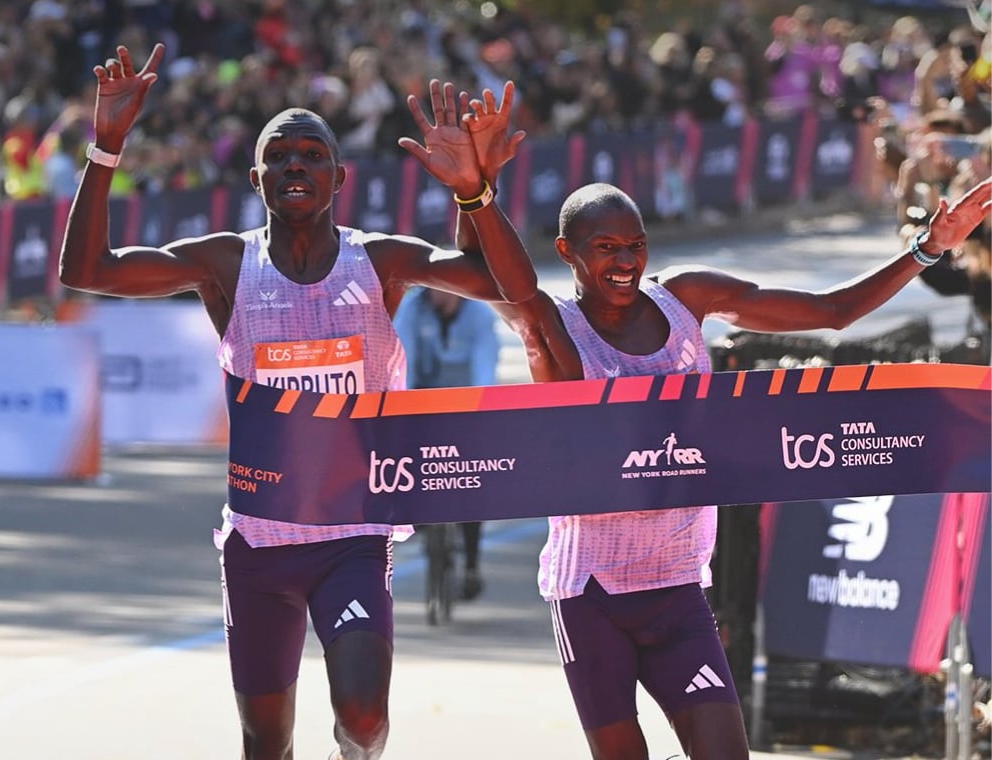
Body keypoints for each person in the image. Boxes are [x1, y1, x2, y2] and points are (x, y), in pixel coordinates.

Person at [460, 93, 991, 760]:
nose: (625, 263)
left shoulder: (686, 298)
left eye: (636, 245)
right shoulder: (555, 333)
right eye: (605, 249)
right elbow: (511, 286)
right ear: (568, 252)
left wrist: (927, 249)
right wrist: (477, 195)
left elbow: (831, 311)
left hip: (679, 586)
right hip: (591, 591)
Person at [58, 43, 531, 760]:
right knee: (265, 743)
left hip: (352, 537)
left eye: (312, 155)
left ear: (339, 176)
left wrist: (475, 192)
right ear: (256, 178)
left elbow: (504, 286)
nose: (296, 167)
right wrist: (108, 148)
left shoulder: (380, 261)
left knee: (365, 715)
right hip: (261, 545)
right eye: (279, 157)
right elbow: (85, 270)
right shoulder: (225, 263)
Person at [394, 286, 501, 600]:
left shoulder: (479, 314)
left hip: (466, 399)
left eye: (440, 291)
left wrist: (481, 411)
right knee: (406, 451)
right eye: (429, 290)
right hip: (423, 396)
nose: (433, 296)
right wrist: (401, 411)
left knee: (471, 481)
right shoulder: (414, 308)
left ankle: (471, 565)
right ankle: (420, 515)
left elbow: (485, 365)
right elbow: (404, 359)